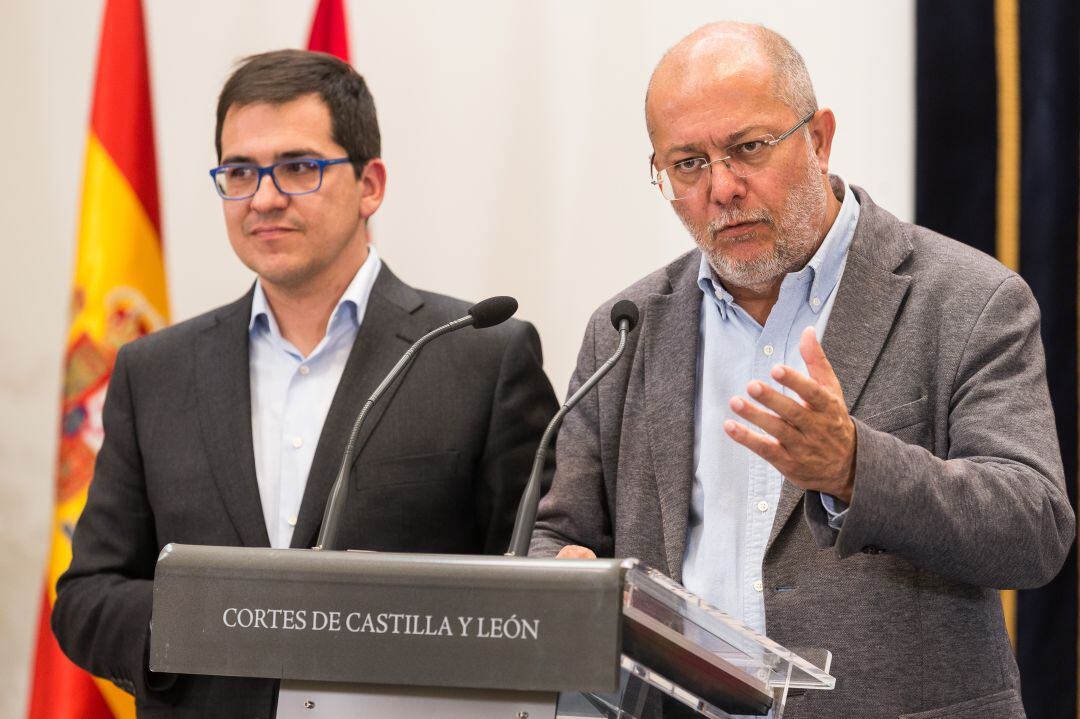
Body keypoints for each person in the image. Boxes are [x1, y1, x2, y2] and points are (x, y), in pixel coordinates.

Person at [532, 22, 1075, 718]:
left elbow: (1033, 528)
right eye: (688, 164)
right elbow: (559, 532)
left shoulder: (966, 299)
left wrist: (855, 467)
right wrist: (561, 573)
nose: (722, 188)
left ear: (818, 138)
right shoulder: (627, 328)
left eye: (748, 148)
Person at [52, 49, 558, 717]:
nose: (264, 198)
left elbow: (537, 596)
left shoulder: (479, 356)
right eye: (240, 172)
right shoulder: (155, 372)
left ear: (370, 184)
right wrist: (214, 617)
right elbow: (87, 595)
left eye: (297, 167)